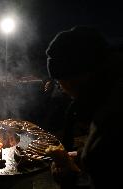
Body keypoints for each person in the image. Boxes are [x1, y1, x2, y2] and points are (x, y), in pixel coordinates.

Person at [45, 26, 123, 188]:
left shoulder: (111, 122)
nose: (63, 91)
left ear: (73, 78)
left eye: (60, 84)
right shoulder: (111, 93)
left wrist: (70, 180)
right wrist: (80, 157)